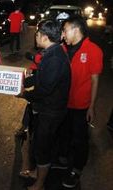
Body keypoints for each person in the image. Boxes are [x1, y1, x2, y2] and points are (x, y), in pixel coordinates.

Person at [19, 19, 71, 190]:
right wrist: (23, 81)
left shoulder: (55, 58)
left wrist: (24, 94)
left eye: (38, 33)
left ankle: (40, 183)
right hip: (48, 109)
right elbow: (41, 77)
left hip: (51, 111)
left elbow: (45, 90)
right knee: (39, 143)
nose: (36, 36)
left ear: (45, 37)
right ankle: (37, 172)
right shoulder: (51, 52)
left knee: (43, 146)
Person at [60, 16, 103, 188]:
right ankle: (64, 159)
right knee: (65, 134)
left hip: (81, 105)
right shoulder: (63, 49)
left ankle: (76, 169)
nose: (63, 35)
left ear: (75, 29)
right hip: (63, 102)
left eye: (65, 30)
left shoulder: (93, 50)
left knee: (79, 139)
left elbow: (94, 81)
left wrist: (91, 106)